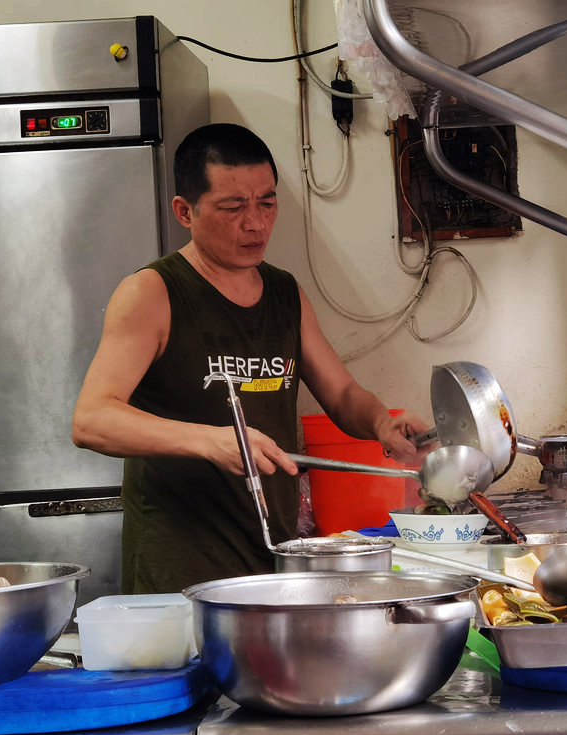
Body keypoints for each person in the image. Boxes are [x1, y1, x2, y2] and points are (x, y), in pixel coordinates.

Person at [72, 123, 431, 594]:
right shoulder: (153, 293)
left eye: (267, 202)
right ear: (185, 211)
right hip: (181, 569)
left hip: (272, 557)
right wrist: (212, 441)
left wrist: (383, 424)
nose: (255, 223)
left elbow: (341, 394)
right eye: (232, 207)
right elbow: (92, 419)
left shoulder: (285, 293)